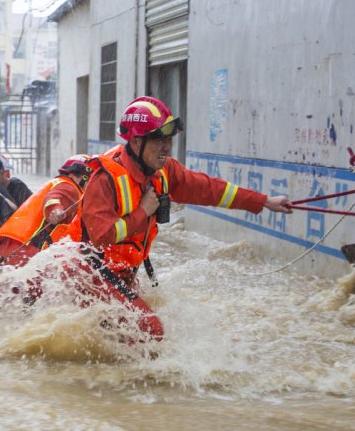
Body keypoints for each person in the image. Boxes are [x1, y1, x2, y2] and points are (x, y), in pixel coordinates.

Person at [65, 96, 292, 331]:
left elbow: (209, 189)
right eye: (158, 139)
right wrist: (143, 211)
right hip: (89, 273)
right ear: (135, 142)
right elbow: (101, 235)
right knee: (152, 330)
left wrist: (263, 201)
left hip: (119, 275)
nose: (166, 146)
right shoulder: (105, 179)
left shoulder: (164, 172)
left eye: (168, 139)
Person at [0, 154, 93, 267]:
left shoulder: (56, 183)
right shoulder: (70, 187)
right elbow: (53, 198)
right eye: (91, 180)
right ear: (77, 176)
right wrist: (54, 210)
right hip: (27, 251)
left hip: (12, 246)